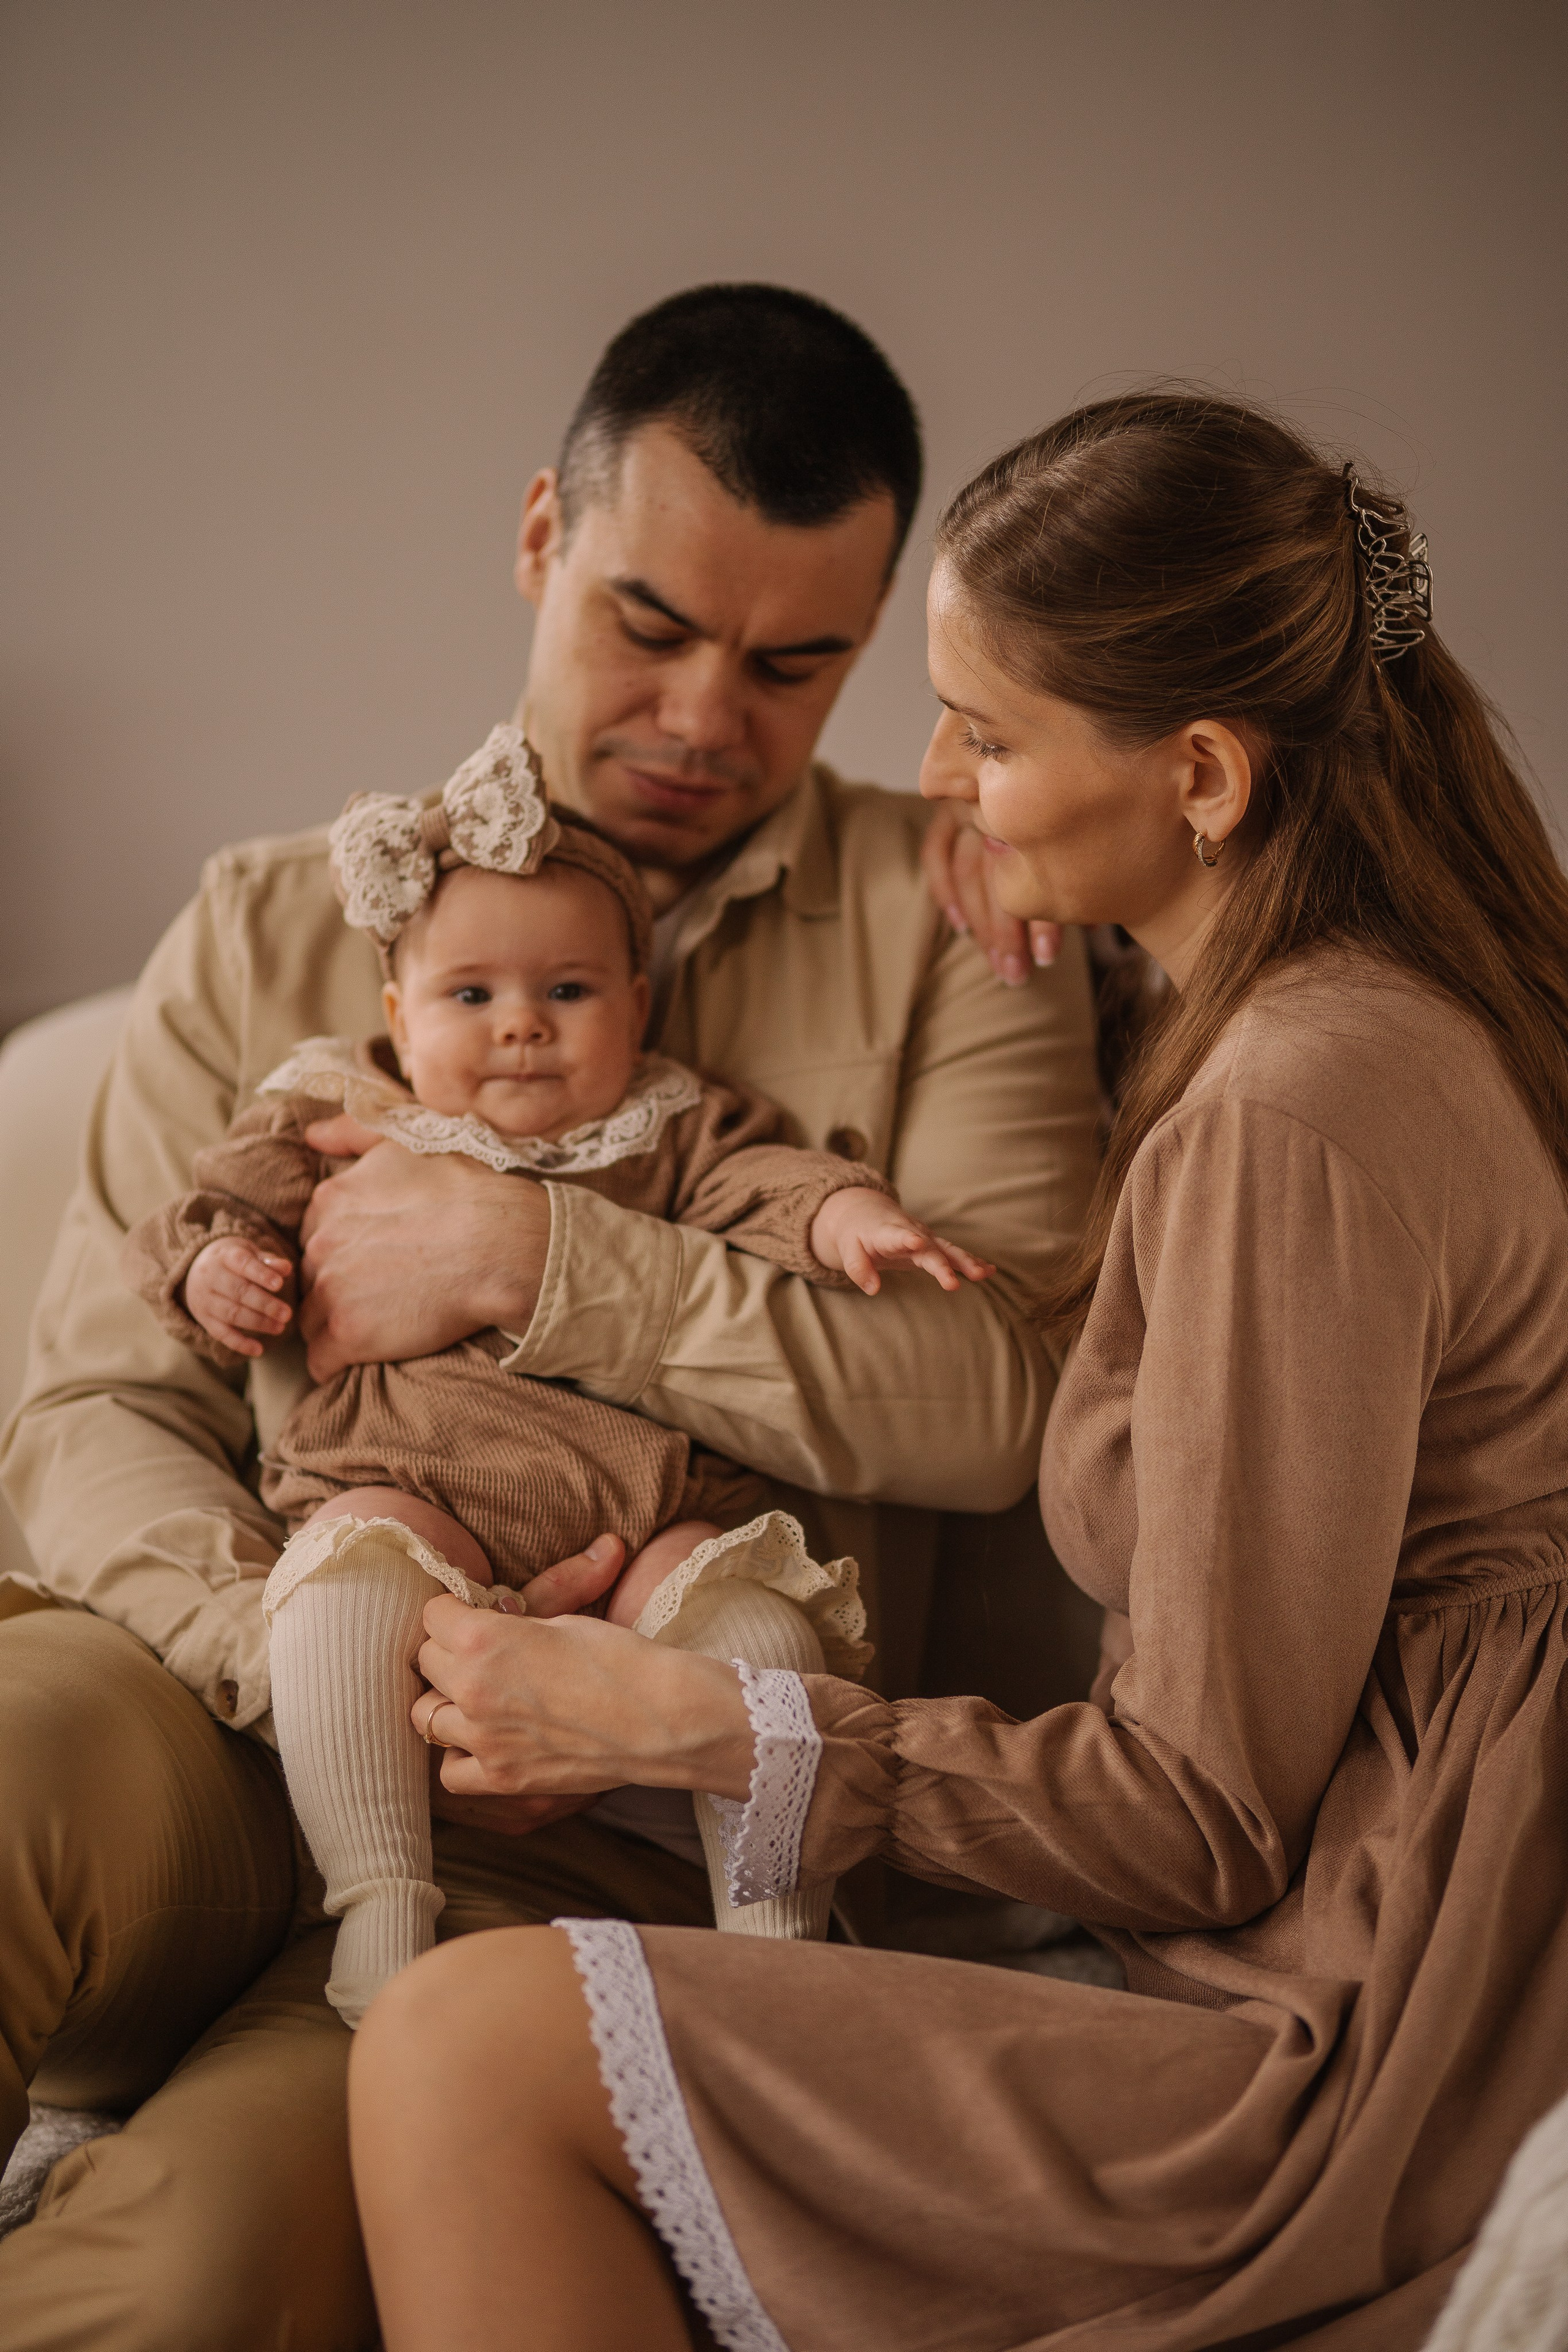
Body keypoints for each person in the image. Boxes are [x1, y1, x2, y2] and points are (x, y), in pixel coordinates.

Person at [349, 391, 1568, 2351]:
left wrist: (692, 1723)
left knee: (458, 2056)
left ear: (1201, 773)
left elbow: (1201, 1815)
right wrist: (1093, 915)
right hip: (1389, 1921)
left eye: (987, 736)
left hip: (1382, 2017)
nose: (933, 781)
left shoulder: (1297, 1108)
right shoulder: (1362, 1006)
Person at [0, 284, 1101, 2346]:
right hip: (211, 1707)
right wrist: (341, 1657)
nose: (706, 719)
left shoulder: (967, 926)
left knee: (190, 2284)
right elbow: (90, 1416)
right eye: (648, 626)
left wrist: (546, 1265)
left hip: (606, 1830)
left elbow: (999, 1402)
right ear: (540, 539)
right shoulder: (269, 921)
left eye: (794, 667)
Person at [123, 728, 985, 2019]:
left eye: (568, 993)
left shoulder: (666, 1123)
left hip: (638, 1500)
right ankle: (378, 1900)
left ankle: (775, 1935)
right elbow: (205, 1213)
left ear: (636, 1004)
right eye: (470, 997)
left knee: (748, 1619)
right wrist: (215, 1273)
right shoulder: (331, 1113)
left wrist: (841, 1217)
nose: (520, 1024)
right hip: (408, 1475)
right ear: (397, 1017)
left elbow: (759, 1185)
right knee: (346, 1570)